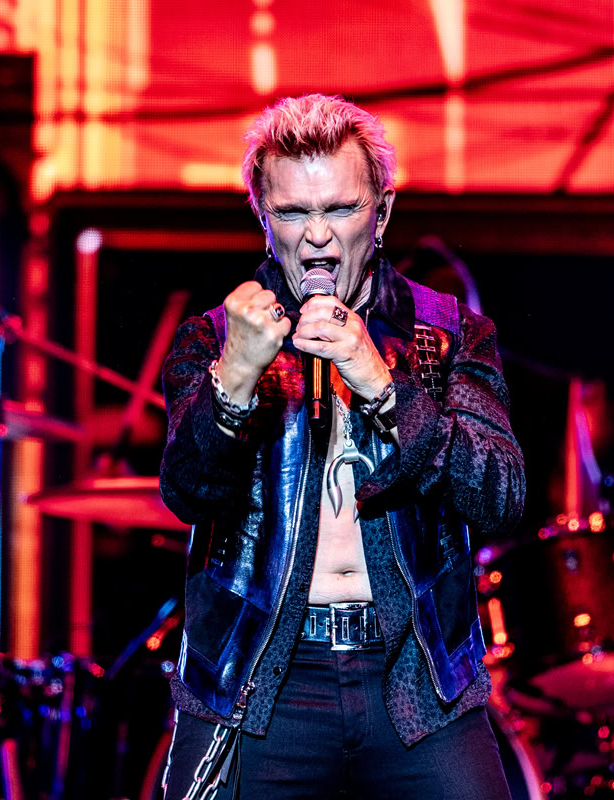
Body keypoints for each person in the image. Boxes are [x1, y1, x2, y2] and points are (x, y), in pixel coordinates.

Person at [159, 93, 525, 799]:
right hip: (257, 678)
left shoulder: (447, 334)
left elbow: (501, 496)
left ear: (381, 214)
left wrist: (384, 388)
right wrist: (234, 379)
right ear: (263, 219)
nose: (318, 237)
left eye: (340, 209)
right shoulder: (215, 336)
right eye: (294, 212)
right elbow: (186, 492)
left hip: (418, 679)